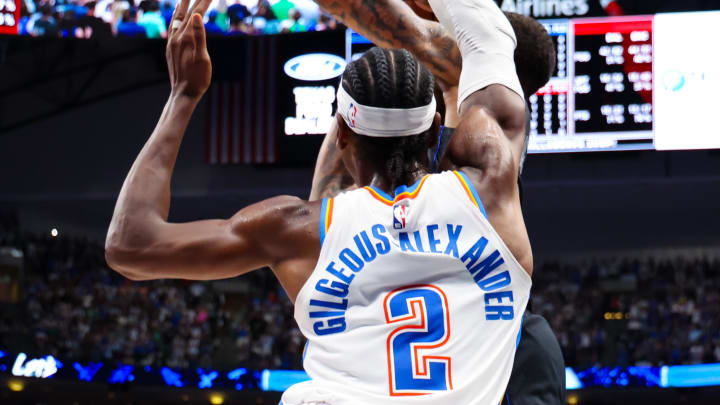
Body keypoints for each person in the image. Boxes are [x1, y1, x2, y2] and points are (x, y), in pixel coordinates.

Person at [106, 1, 531, 405]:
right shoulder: (490, 189)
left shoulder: (300, 227)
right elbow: (490, 38)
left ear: (343, 134)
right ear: (437, 124)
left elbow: (131, 246)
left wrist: (183, 94)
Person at [310, 1, 564, 404]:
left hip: (491, 343)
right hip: (481, 334)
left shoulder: (473, 122)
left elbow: (412, 36)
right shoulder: (480, 133)